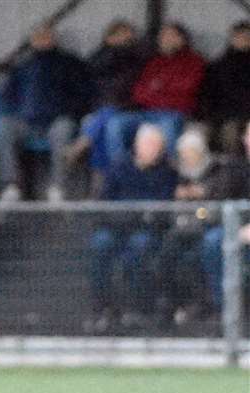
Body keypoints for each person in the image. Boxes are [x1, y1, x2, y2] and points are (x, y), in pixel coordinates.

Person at [87, 123, 177, 331]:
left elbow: (161, 209)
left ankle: (137, 308)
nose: (151, 148)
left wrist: (137, 215)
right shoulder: (119, 167)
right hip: (117, 227)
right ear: (137, 144)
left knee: (141, 246)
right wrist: (133, 215)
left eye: (156, 144)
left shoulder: (167, 172)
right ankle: (102, 308)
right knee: (100, 243)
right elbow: (105, 202)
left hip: (148, 231)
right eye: (147, 143)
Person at [0, 22, 91, 202]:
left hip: (56, 121)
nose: (42, 40)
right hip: (27, 123)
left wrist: (67, 111)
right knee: (3, 126)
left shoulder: (69, 63)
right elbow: (7, 96)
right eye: (37, 37)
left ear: (54, 38)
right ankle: (11, 186)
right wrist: (19, 111)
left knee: (62, 130)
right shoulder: (23, 66)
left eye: (46, 36)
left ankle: (58, 187)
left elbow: (83, 95)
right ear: (31, 40)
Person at [107, 23, 205, 167]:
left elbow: (187, 89)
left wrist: (158, 88)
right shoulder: (154, 62)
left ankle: (170, 174)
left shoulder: (194, 61)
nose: (164, 39)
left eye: (170, 35)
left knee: (168, 127)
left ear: (181, 39)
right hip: (146, 112)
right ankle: (121, 172)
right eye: (162, 36)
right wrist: (162, 90)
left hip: (175, 113)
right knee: (116, 124)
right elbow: (138, 93)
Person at [65, 20, 146, 191]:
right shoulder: (101, 56)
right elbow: (91, 76)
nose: (124, 38)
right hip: (102, 107)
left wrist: (123, 50)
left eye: (127, 34)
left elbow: (131, 85)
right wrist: (112, 50)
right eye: (119, 34)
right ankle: (101, 183)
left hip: (130, 107)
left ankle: (85, 148)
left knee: (107, 122)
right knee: (100, 125)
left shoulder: (137, 56)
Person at [156, 129, 225, 325]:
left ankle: (207, 306)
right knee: (166, 253)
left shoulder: (215, 171)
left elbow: (218, 205)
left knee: (199, 255)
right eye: (184, 153)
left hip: (205, 228)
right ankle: (168, 304)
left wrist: (200, 200)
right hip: (180, 229)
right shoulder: (175, 173)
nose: (187, 157)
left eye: (191, 152)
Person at [202, 120, 250, 317]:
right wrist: (237, 228)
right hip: (236, 231)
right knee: (213, 240)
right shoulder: (232, 168)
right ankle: (226, 312)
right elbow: (218, 205)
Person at [201, 21, 250, 156]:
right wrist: (208, 112)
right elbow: (208, 91)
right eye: (238, 36)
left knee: (230, 132)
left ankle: (232, 167)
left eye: (246, 37)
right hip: (219, 112)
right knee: (201, 132)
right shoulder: (219, 64)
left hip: (242, 114)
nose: (242, 40)